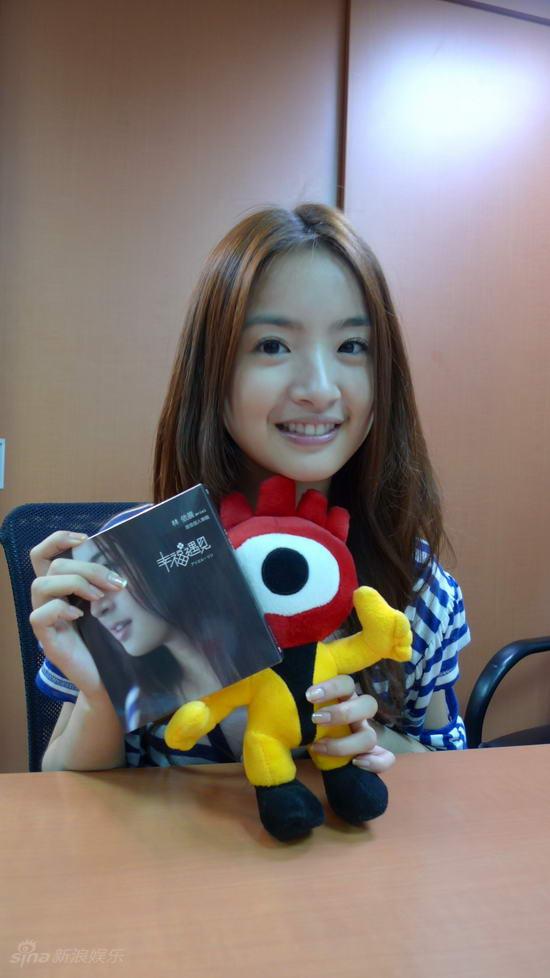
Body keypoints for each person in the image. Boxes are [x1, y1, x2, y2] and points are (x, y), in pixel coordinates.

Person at [30, 202, 470, 775]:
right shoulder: (132, 562)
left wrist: (376, 743)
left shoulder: (413, 582)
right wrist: (100, 695)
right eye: (272, 345)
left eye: (351, 346)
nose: (319, 388)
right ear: (212, 373)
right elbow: (64, 792)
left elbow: (454, 773)